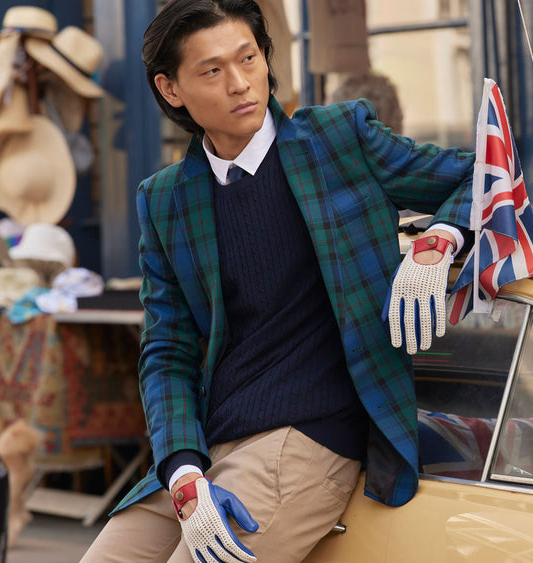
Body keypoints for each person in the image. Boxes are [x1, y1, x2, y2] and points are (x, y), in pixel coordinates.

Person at [81, 1, 473, 561]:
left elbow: (483, 174)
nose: (241, 83)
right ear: (171, 90)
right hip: (209, 448)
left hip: (311, 437)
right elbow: (167, 351)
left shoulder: (340, 139)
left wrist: (438, 242)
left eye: (249, 57)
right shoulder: (164, 198)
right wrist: (183, 469)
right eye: (213, 71)